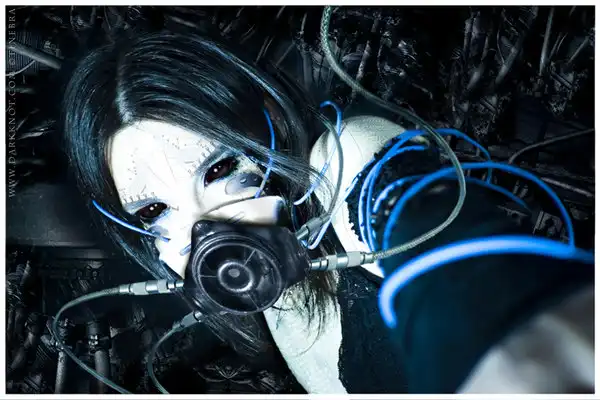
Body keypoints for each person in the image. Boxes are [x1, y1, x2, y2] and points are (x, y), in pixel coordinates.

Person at [62, 29, 594, 394]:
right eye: (155, 209)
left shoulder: (341, 160)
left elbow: (403, 205)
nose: (207, 230)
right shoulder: (267, 290)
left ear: (268, 123)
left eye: (220, 170)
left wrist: (513, 342)